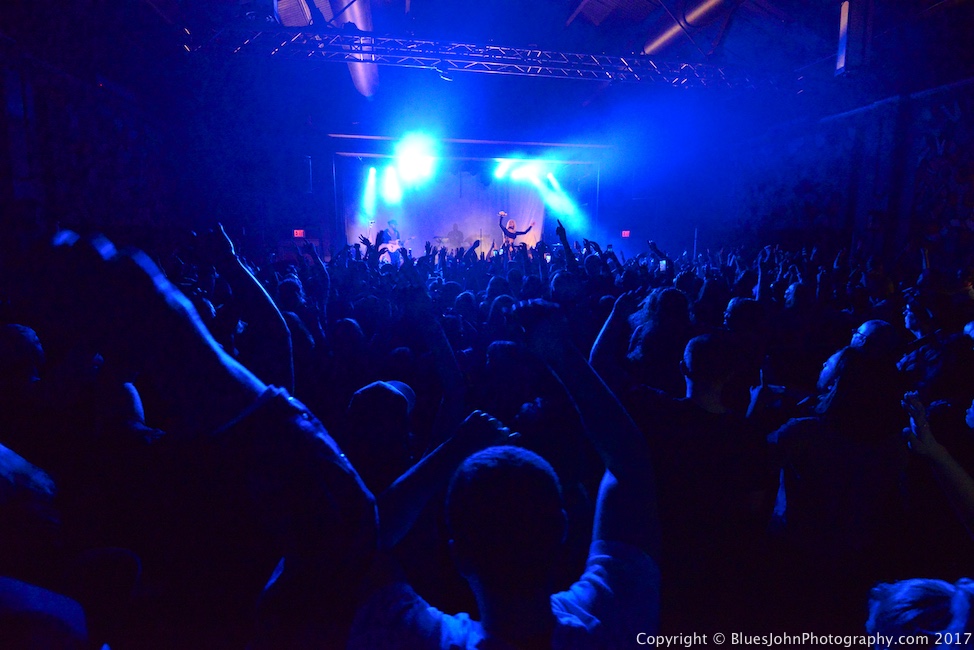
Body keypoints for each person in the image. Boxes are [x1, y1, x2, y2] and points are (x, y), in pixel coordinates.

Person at [348, 300, 659, 649]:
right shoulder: (610, 620)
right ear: (562, 528)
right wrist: (563, 355)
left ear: (458, 554)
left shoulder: (413, 638)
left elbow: (355, 546)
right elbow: (630, 465)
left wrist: (452, 450)